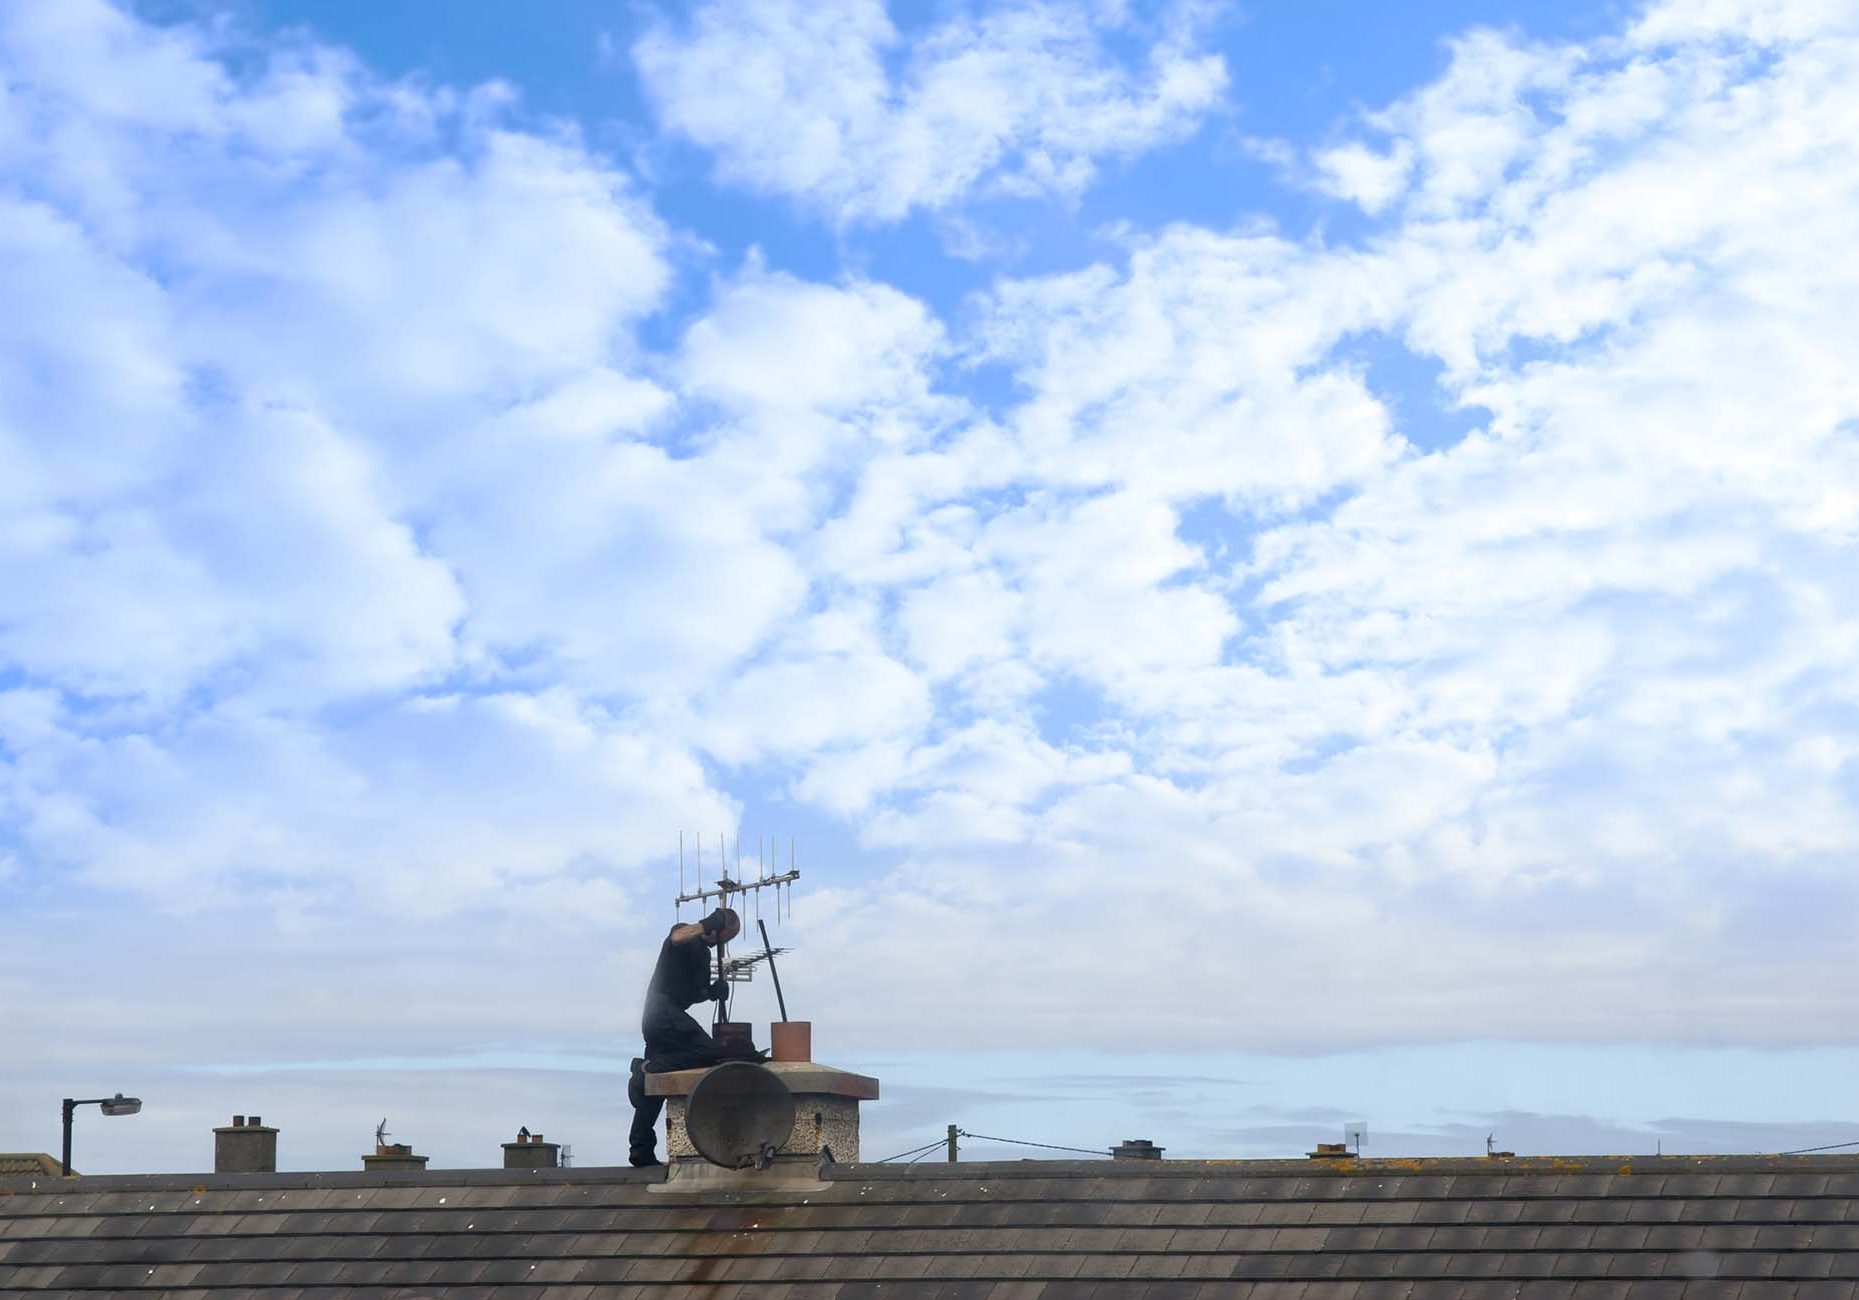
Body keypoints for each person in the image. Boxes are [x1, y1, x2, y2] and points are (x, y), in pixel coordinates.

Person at [627, 906, 762, 1166]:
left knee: (655, 1088)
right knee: (710, 1054)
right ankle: (646, 1068)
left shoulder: (702, 955)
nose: (723, 942)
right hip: (663, 1012)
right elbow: (675, 939)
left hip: (666, 1015)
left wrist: (711, 992)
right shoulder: (684, 934)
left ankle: (640, 1150)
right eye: (726, 936)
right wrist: (707, 923)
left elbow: (693, 994)